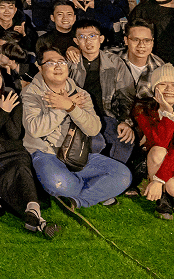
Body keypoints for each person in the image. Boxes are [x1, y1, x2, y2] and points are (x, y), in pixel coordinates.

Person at [23, 44, 131, 210]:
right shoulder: (30, 93)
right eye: (50, 63)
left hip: (77, 154)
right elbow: (35, 129)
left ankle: (77, 201)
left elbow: (94, 129)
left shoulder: (80, 94)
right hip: (46, 153)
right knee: (62, 185)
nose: (58, 67)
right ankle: (97, 189)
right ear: (40, 67)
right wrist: (63, 108)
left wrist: (71, 107)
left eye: (62, 62)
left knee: (123, 175)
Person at [0, 59, 58, 237]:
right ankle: (37, 218)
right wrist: (3, 112)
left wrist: (1, 110)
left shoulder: (11, 97)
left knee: (20, 169)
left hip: (16, 152)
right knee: (5, 179)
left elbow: (14, 133)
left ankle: (34, 215)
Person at [67, 18, 163, 167]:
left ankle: (114, 174)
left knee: (125, 141)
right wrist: (70, 49)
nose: (88, 41)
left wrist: (125, 121)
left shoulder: (116, 62)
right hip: (79, 116)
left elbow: (126, 96)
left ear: (101, 39)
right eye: (82, 37)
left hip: (111, 116)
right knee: (95, 142)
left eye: (92, 36)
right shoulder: (71, 63)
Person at [131, 64, 174, 219]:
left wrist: (159, 180)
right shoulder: (143, 109)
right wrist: (167, 113)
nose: (169, 89)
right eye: (163, 84)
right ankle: (164, 199)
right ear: (154, 88)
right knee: (157, 151)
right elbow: (158, 142)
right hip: (156, 161)